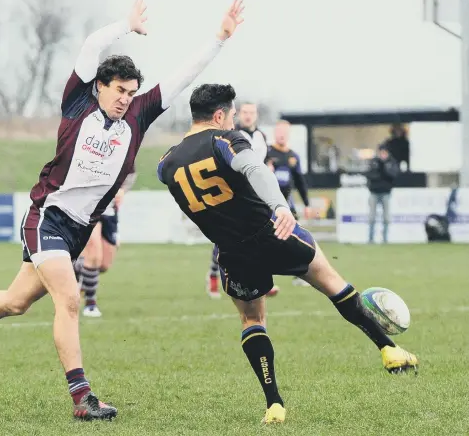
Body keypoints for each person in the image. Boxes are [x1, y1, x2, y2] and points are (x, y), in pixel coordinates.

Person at [0, 0, 246, 421]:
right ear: (100, 87)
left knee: (16, 302)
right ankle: (82, 398)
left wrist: (218, 39)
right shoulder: (78, 104)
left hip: (78, 229)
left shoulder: (139, 117)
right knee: (69, 300)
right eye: (119, 90)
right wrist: (124, 26)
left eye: (130, 92)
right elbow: (91, 46)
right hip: (46, 217)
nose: (126, 98)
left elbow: (181, 78)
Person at [156, 84, 418, 425]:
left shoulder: (166, 163)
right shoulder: (225, 139)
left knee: (252, 321)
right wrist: (280, 206)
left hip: (233, 252)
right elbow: (254, 169)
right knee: (333, 282)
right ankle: (389, 350)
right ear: (219, 115)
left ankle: (274, 403)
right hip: (273, 232)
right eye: (232, 115)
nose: (234, 120)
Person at [205, 102, 279, 299]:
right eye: (244, 112)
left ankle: (263, 279)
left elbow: (266, 159)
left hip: (257, 193)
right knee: (226, 235)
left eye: (251, 112)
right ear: (238, 115)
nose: (248, 116)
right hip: (235, 192)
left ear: (256, 115)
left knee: (262, 233)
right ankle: (213, 275)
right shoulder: (231, 134)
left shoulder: (261, 136)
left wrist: (269, 167)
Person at [74, 170, 137, 317]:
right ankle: (90, 305)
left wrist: (122, 189)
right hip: (87, 205)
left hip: (109, 209)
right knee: (94, 254)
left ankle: (74, 267)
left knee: (103, 264)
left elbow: (130, 172)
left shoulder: (125, 149)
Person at [266, 119, 311, 289]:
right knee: (268, 241)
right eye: (279, 132)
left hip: (287, 204)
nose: (282, 135)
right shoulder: (267, 153)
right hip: (268, 204)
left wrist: (306, 204)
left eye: (285, 132)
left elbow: (300, 181)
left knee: (297, 239)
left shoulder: (293, 157)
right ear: (274, 133)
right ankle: (265, 278)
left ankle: (300, 275)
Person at [367, 144, 399, 244]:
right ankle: (370, 238)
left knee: (386, 217)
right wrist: (380, 174)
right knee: (372, 217)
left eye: (385, 153)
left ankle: (385, 239)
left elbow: (393, 175)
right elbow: (369, 175)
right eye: (381, 152)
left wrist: (384, 170)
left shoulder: (391, 162)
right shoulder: (374, 162)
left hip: (386, 193)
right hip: (374, 192)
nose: (383, 155)